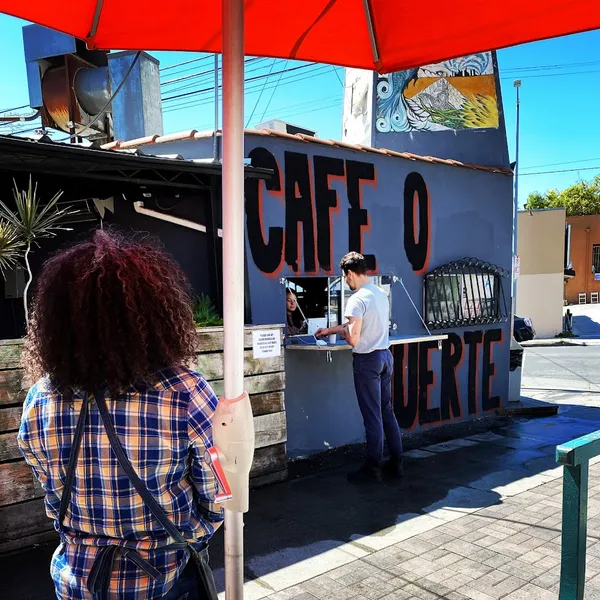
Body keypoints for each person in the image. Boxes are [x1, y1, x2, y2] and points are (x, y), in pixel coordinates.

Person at [17, 229, 223, 600]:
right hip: (165, 577)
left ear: (54, 321)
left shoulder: (40, 398)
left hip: (76, 579)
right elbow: (215, 494)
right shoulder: (183, 391)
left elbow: (52, 496)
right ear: (155, 311)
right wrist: (194, 534)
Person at [316, 252, 404, 483]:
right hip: (385, 356)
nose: (345, 281)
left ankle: (372, 467)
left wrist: (344, 333)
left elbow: (354, 338)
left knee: (372, 416)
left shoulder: (356, 299)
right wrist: (330, 330)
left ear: (351, 273)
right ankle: (397, 461)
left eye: (345, 276)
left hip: (367, 362)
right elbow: (359, 324)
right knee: (386, 410)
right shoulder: (380, 294)